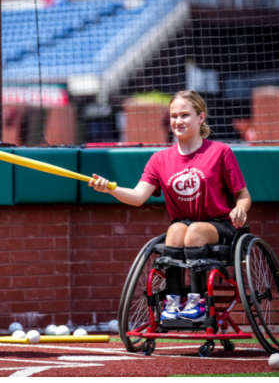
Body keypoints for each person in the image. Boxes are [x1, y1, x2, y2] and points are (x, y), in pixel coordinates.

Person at [90, 91, 251, 321]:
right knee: (175, 230)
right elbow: (137, 196)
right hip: (183, 226)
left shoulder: (220, 152)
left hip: (220, 226)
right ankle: (173, 301)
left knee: (194, 231)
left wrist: (240, 208)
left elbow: (243, 195)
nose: (178, 121)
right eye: (174, 116)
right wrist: (110, 188)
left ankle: (198, 300)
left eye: (185, 115)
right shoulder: (159, 159)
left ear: (201, 117)